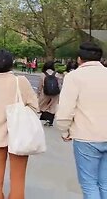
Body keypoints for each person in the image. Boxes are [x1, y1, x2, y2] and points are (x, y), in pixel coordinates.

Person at [0, 49, 39, 199]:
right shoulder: (20, 81)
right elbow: (34, 107)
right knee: (18, 180)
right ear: (11, 64)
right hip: (19, 135)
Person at [55, 42, 107, 199]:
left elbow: (65, 110)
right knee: (105, 183)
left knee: (89, 184)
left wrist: (64, 130)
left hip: (87, 136)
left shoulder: (74, 77)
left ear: (79, 59)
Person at [38, 61, 62, 127]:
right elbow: (59, 85)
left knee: (43, 105)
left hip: (45, 93)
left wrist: (39, 92)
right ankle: (50, 120)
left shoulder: (43, 74)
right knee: (53, 106)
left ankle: (45, 118)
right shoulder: (56, 74)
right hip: (55, 93)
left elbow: (40, 85)